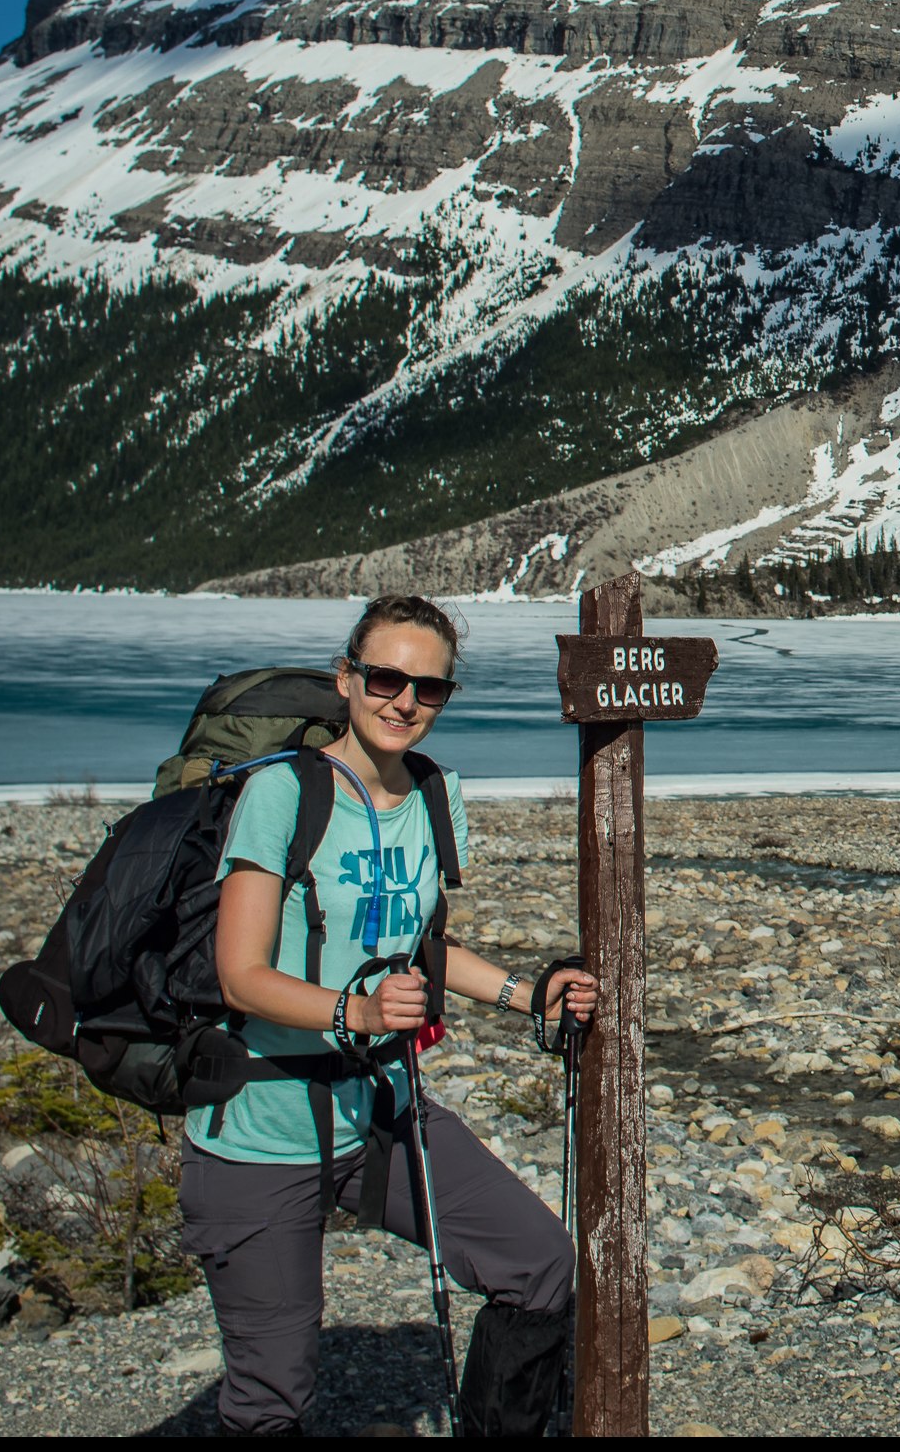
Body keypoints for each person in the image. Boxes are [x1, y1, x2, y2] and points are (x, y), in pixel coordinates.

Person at [176, 594, 593, 1436]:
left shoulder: (435, 796)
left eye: (428, 688)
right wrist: (355, 1009)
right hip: (261, 1126)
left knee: (540, 1265)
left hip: (378, 1109)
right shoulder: (281, 795)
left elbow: (425, 945)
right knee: (271, 1401)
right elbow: (239, 975)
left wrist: (525, 993)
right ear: (348, 678)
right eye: (386, 678)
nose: (404, 701)